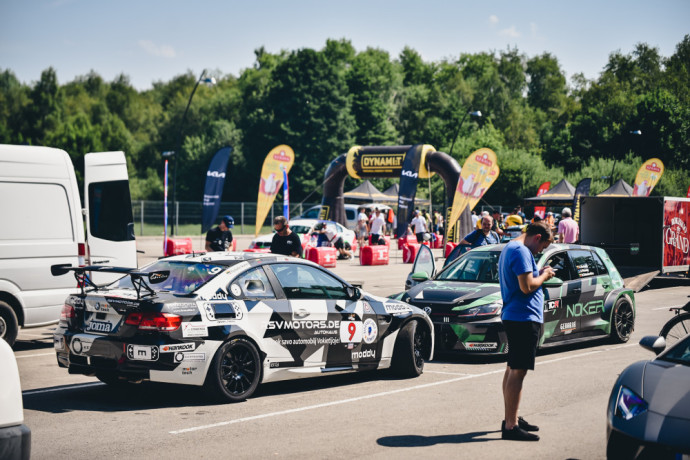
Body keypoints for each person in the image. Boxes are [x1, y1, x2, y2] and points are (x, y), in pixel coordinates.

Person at [498, 221, 555, 441]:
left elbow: (524, 279)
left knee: (513, 367)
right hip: (522, 317)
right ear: (537, 237)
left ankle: (511, 417)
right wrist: (545, 276)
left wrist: (537, 272)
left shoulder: (512, 247)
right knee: (518, 371)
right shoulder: (521, 251)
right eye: (543, 247)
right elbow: (527, 286)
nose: (541, 251)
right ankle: (511, 426)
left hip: (516, 315)